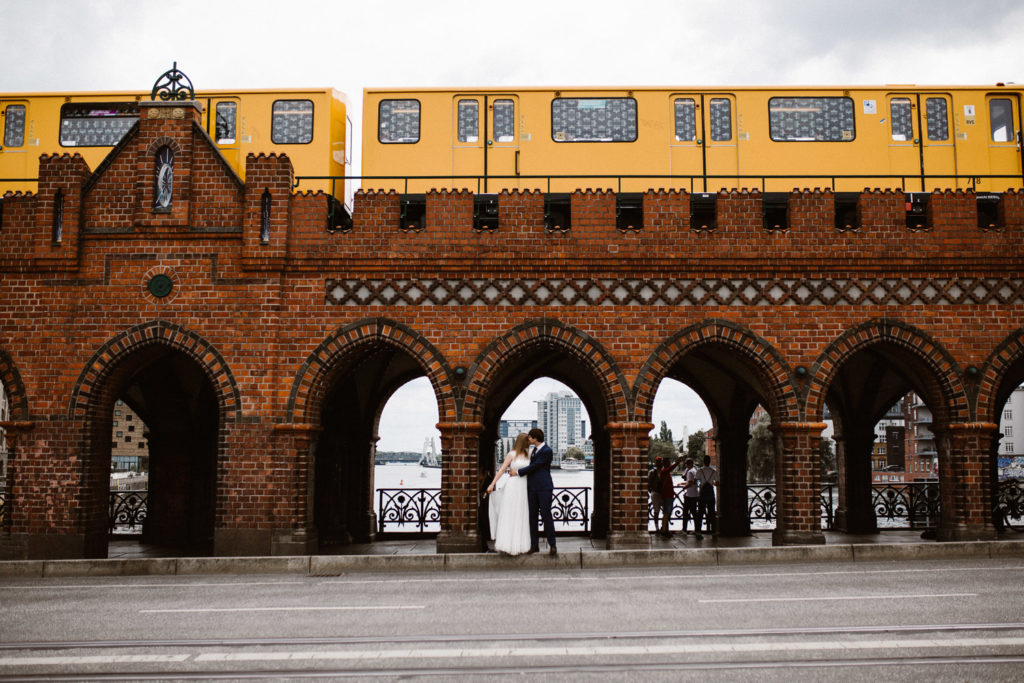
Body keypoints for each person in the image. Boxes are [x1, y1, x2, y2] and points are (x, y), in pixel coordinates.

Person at [511, 427, 557, 556]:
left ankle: (552, 544)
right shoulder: (533, 451)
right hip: (532, 488)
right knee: (532, 517)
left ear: (535, 438)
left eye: (530, 437)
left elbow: (535, 466)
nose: (528, 439)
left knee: (546, 515)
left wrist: (518, 472)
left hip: (544, 487)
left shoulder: (547, 450)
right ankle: (534, 545)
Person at [486, 433, 532, 555]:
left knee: (521, 514)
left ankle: (521, 544)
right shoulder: (512, 454)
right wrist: (492, 484)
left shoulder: (528, 455)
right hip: (513, 486)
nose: (529, 443)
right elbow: (502, 470)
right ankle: (507, 544)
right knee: (510, 513)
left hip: (523, 486)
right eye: (528, 441)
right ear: (523, 442)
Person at [656, 456, 680, 538]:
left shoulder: (666, 472)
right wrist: (677, 462)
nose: (669, 463)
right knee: (666, 513)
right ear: (665, 463)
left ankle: (664, 528)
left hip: (669, 495)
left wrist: (674, 493)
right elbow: (671, 468)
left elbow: (668, 485)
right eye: (668, 462)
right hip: (667, 496)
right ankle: (664, 530)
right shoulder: (664, 471)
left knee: (667, 513)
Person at [696, 455, 719, 539]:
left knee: (700, 513)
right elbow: (717, 483)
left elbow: (695, 481)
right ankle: (713, 532)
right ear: (709, 462)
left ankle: (698, 532)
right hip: (710, 494)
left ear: (703, 461)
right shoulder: (713, 471)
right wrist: (712, 483)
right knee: (712, 513)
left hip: (702, 495)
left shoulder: (699, 471)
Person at [681, 457, 700, 536]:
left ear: (688, 464)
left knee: (685, 513)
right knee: (694, 513)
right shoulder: (695, 470)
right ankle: (697, 529)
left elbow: (690, 483)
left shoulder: (689, 472)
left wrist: (684, 487)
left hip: (689, 496)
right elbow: (692, 481)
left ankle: (684, 530)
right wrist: (683, 483)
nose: (686, 465)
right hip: (695, 494)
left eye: (686, 464)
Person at [648, 457, 663, 532]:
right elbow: (648, 483)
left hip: (663, 493)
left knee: (666, 511)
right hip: (655, 492)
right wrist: (651, 491)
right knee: (656, 511)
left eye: (660, 461)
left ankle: (663, 526)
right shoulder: (652, 472)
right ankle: (657, 528)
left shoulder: (664, 471)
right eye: (658, 461)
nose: (659, 463)